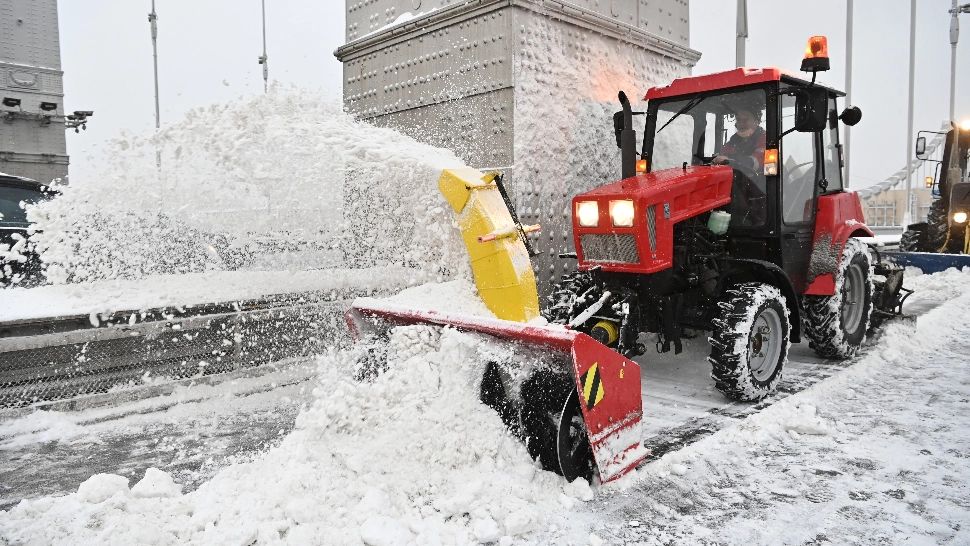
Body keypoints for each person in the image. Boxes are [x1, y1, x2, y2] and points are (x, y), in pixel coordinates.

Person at [712, 107, 766, 171]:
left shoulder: (765, 139)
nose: (741, 124)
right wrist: (716, 160)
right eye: (738, 120)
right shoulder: (733, 142)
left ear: (756, 122)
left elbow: (757, 160)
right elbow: (723, 156)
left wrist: (730, 160)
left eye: (745, 120)